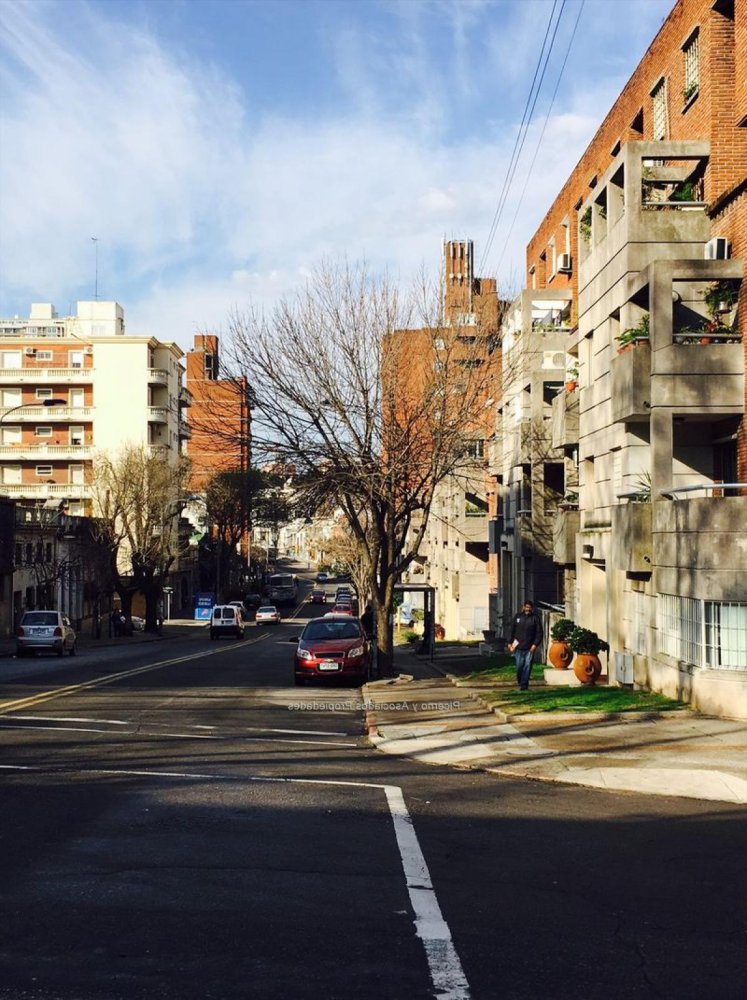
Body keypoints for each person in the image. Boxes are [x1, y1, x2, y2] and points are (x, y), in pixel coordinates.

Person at [508, 600, 543, 691]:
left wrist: (535, 644)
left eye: (530, 607)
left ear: (532, 608)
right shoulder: (517, 617)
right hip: (518, 647)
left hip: (530, 647)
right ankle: (520, 681)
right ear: (523, 607)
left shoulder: (535, 618)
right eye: (526, 607)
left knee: (527, 666)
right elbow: (512, 630)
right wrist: (509, 643)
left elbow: (539, 633)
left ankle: (524, 685)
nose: (528, 609)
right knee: (519, 666)